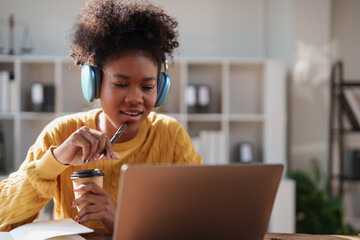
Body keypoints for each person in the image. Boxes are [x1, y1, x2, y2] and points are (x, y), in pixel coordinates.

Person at [0, 0, 202, 233]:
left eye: (148, 87)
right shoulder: (60, 134)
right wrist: (54, 162)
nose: (136, 98)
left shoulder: (171, 137)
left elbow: (196, 225)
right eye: (121, 84)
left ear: (161, 89)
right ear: (94, 84)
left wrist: (120, 222)